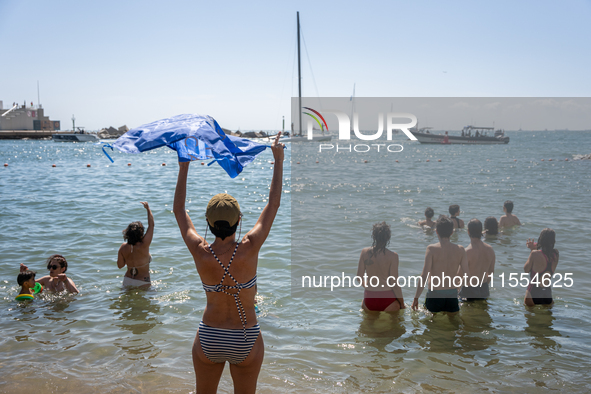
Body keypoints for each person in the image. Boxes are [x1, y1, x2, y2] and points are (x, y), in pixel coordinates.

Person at [174, 132, 284, 393]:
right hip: (244, 336)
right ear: (238, 221)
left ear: (209, 223)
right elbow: (274, 203)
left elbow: (179, 210)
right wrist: (278, 159)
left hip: (209, 336)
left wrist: (184, 166)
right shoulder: (249, 247)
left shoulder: (200, 250)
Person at [412, 216, 469, 313]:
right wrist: (457, 291)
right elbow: (467, 274)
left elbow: (424, 276)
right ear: (452, 232)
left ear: (436, 231)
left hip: (435, 294)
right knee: (453, 323)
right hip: (452, 294)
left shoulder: (431, 249)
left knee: (432, 324)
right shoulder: (460, 249)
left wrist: (416, 298)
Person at [356, 222, 405, 312]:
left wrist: (367, 286)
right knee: (393, 325)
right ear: (388, 237)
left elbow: (359, 277)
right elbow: (394, 282)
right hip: (387, 299)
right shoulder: (393, 256)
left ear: (374, 236)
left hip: (369, 298)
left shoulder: (364, 252)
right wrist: (402, 303)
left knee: (368, 325)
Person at [117, 201, 154, 287]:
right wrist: (148, 209)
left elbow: (120, 266)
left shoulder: (123, 247)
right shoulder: (144, 245)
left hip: (127, 280)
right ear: (141, 234)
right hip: (143, 281)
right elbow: (151, 225)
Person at [459, 219, 495, 301]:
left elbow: (459, 275)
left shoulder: (467, 251)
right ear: (481, 231)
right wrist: (485, 285)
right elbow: (491, 272)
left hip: (469, 290)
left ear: (468, 231)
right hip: (484, 288)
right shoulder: (490, 249)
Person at [524, 228, 559, 306]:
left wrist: (532, 249)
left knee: (530, 317)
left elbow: (526, 270)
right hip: (547, 294)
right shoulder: (556, 254)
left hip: (533, 293)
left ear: (541, 239)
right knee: (547, 317)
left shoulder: (534, 254)